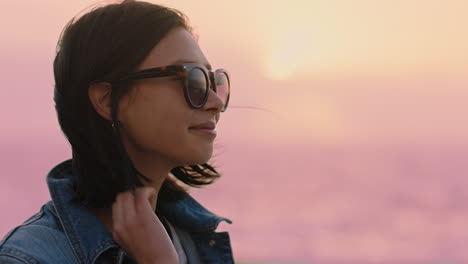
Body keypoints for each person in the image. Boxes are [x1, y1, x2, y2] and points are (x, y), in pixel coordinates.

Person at [0, 0, 234, 263]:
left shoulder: (192, 238)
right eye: (193, 80)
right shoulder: (29, 258)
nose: (215, 102)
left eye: (214, 81)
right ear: (106, 100)